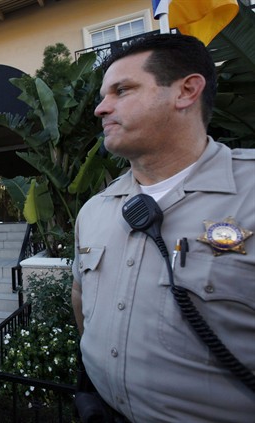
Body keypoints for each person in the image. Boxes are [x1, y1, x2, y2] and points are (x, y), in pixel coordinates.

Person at [71, 33, 255, 422]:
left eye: (122, 90)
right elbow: (81, 299)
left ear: (186, 91)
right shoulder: (94, 210)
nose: (100, 109)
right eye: (104, 95)